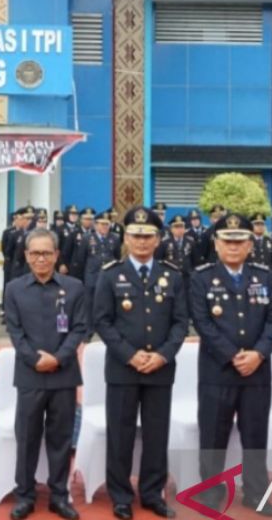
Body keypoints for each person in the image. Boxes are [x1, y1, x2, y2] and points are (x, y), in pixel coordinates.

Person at [94, 206, 189, 520]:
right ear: (126, 238)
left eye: (148, 236)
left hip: (160, 369)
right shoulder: (110, 274)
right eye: (135, 235)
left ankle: (152, 493)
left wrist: (162, 354)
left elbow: (181, 322)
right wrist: (130, 354)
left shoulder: (172, 275)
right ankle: (121, 496)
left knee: (156, 434)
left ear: (158, 239)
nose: (142, 241)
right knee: (120, 435)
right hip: (123, 368)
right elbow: (102, 320)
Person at [189, 212, 272, 516]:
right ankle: (211, 491)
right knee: (213, 435)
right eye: (227, 240)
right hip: (218, 370)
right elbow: (202, 321)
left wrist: (259, 353)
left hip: (257, 371)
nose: (233, 246)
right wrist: (232, 355)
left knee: (255, 435)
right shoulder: (202, 277)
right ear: (216, 244)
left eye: (240, 241)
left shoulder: (264, 276)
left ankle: (255, 492)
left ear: (250, 244)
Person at [4, 228, 87, 520]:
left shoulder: (74, 287)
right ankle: (24, 495)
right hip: (30, 374)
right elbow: (14, 330)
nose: (41, 258)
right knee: (27, 437)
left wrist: (58, 358)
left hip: (64, 375)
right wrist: (35, 359)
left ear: (56, 255)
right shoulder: (14, 288)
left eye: (47, 253)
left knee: (61, 438)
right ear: (27, 256)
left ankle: (59, 496)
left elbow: (80, 327)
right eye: (36, 253)